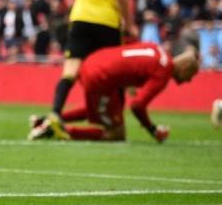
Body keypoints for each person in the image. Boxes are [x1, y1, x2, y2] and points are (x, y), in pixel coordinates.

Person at [40, 0, 146, 138]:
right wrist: (129, 23)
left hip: (80, 16)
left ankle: (55, 113)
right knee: (116, 74)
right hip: (107, 21)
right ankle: (116, 124)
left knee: (70, 69)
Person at [29, 43, 200, 142]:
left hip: (94, 62)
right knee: (117, 133)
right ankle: (61, 131)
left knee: (100, 109)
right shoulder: (164, 70)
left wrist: (128, 81)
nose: (188, 81)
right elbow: (137, 105)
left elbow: (131, 59)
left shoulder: (157, 49)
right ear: (184, 67)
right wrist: (152, 130)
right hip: (101, 77)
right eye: (190, 75)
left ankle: (46, 121)